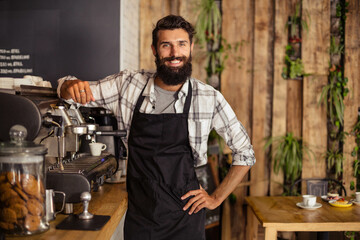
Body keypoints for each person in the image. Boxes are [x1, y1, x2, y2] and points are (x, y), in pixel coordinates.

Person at [58, 15, 255, 240]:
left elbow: (245, 153)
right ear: (154, 49)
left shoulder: (208, 97)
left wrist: (216, 198)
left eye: (181, 44)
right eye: (166, 45)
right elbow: (73, 94)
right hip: (142, 218)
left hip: (186, 220)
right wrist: (68, 86)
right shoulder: (129, 85)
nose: (174, 53)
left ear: (191, 47)